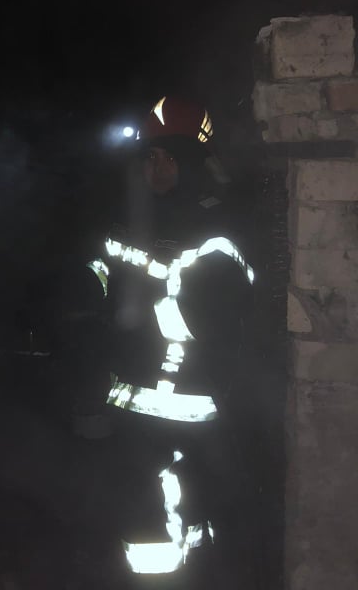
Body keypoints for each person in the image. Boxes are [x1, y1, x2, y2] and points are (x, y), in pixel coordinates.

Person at [63, 95, 257, 587]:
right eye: (151, 156)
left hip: (187, 411)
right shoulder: (126, 219)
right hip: (126, 403)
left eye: (170, 157)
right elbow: (96, 287)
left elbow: (216, 314)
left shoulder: (221, 227)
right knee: (133, 523)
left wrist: (153, 289)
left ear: (194, 161)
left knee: (180, 520)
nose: (158, 167)